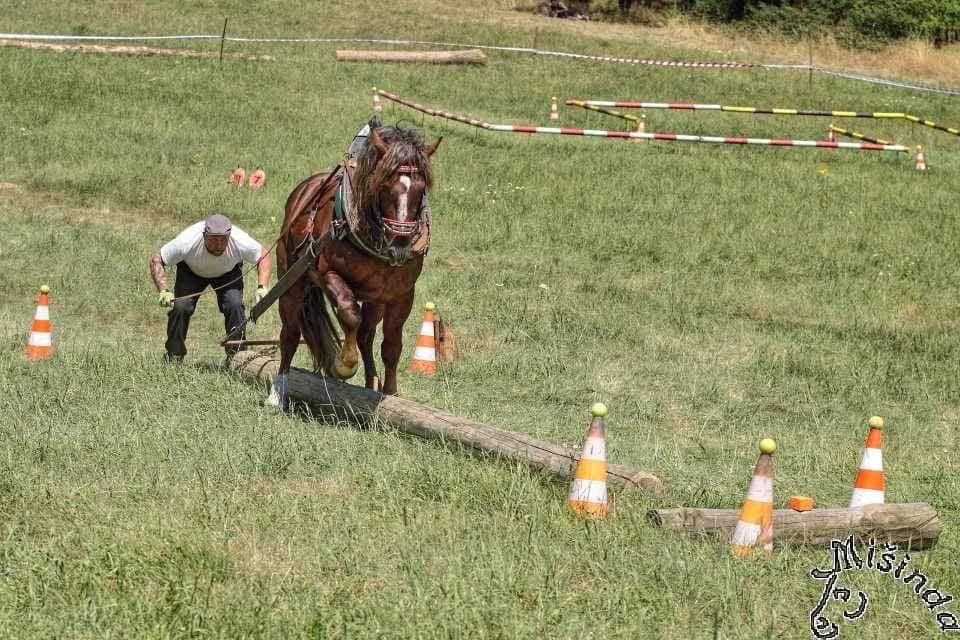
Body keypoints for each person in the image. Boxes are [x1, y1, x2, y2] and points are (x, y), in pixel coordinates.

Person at [149, 213, 272, 361]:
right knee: (181, 308)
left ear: (229, 236)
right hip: (191, 272)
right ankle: (174, 354)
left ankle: (237, 357)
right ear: (204, 235)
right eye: (213, 239)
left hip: (228, 273)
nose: (218, 244)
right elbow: (157, 260)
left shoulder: (240, 240)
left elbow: (263, 256)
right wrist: (164, 290)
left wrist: (262, 286)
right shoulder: (187, 241)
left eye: (223, 240)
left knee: (234, 305)